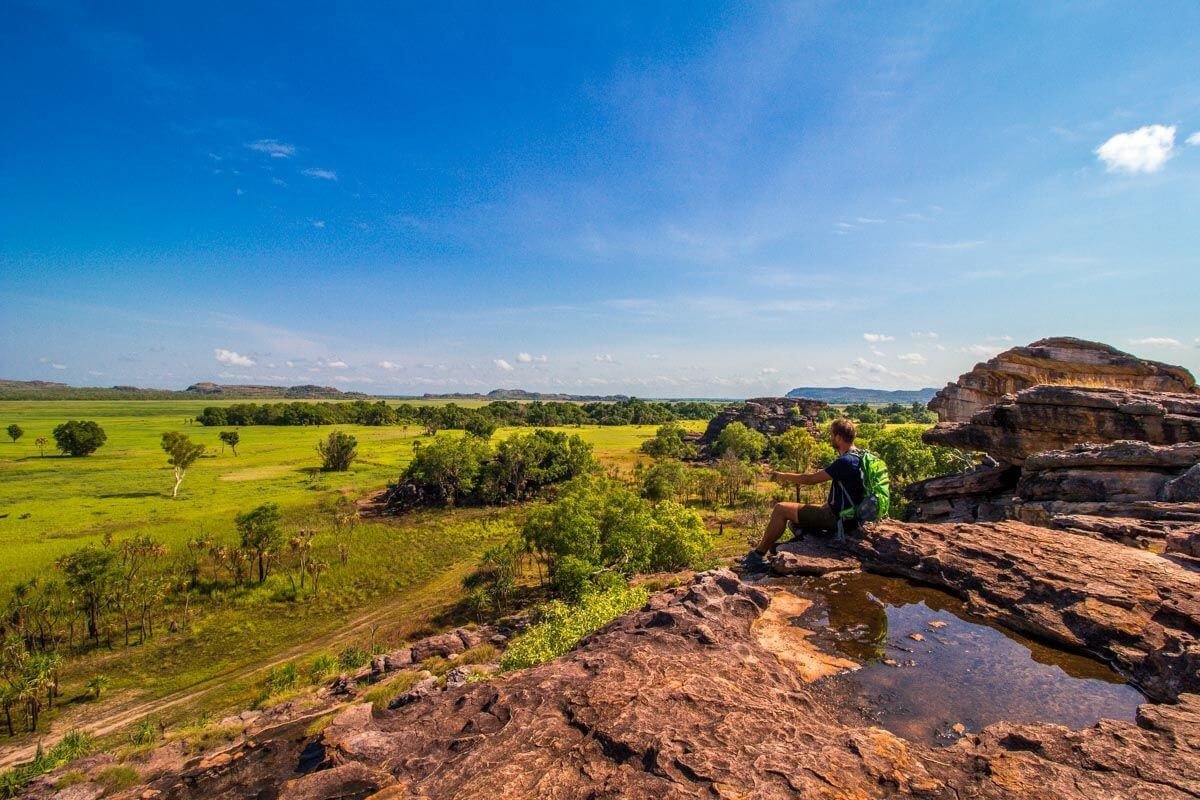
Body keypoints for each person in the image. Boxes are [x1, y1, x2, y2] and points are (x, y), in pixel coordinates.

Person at [740, 418, 864, 572]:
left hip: (838, 518)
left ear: (839, 437)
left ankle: (757, 556)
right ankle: (799, 543)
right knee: (799, 515)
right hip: (854, 516)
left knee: (781, 509)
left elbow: (810, 479)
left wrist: (784, 475)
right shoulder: (862, 456)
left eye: (832, 435)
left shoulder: (845, 461)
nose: (831, 438)